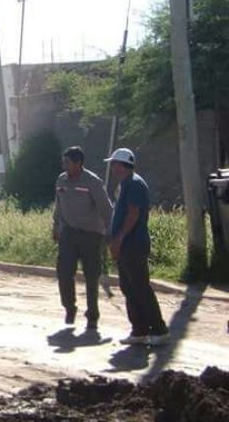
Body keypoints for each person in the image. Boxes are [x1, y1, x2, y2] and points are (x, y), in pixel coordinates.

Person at [105, 148, 169, 346]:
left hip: (133, 244)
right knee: (128, 287)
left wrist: (119, 239)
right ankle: (139, 330)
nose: (113, 167)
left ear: (124, 165)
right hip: (126, 245)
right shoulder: (125, 184)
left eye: (115, 163)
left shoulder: (134, 184)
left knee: (140, 287)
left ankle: (158, 329)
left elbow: (133, 214)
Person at [52, 146, 113, 330]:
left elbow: (106, 208)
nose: (64, 165)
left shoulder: (92, 182)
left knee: (91, 275)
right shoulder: (61, 180)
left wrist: (111, 233)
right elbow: (58, 205)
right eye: (64, 162)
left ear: (78, 163)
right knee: (63, 271)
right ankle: (69, 307)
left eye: (67, 162)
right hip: (69, 233)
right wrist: (55, 226)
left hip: (91, 235)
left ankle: (92, 314)